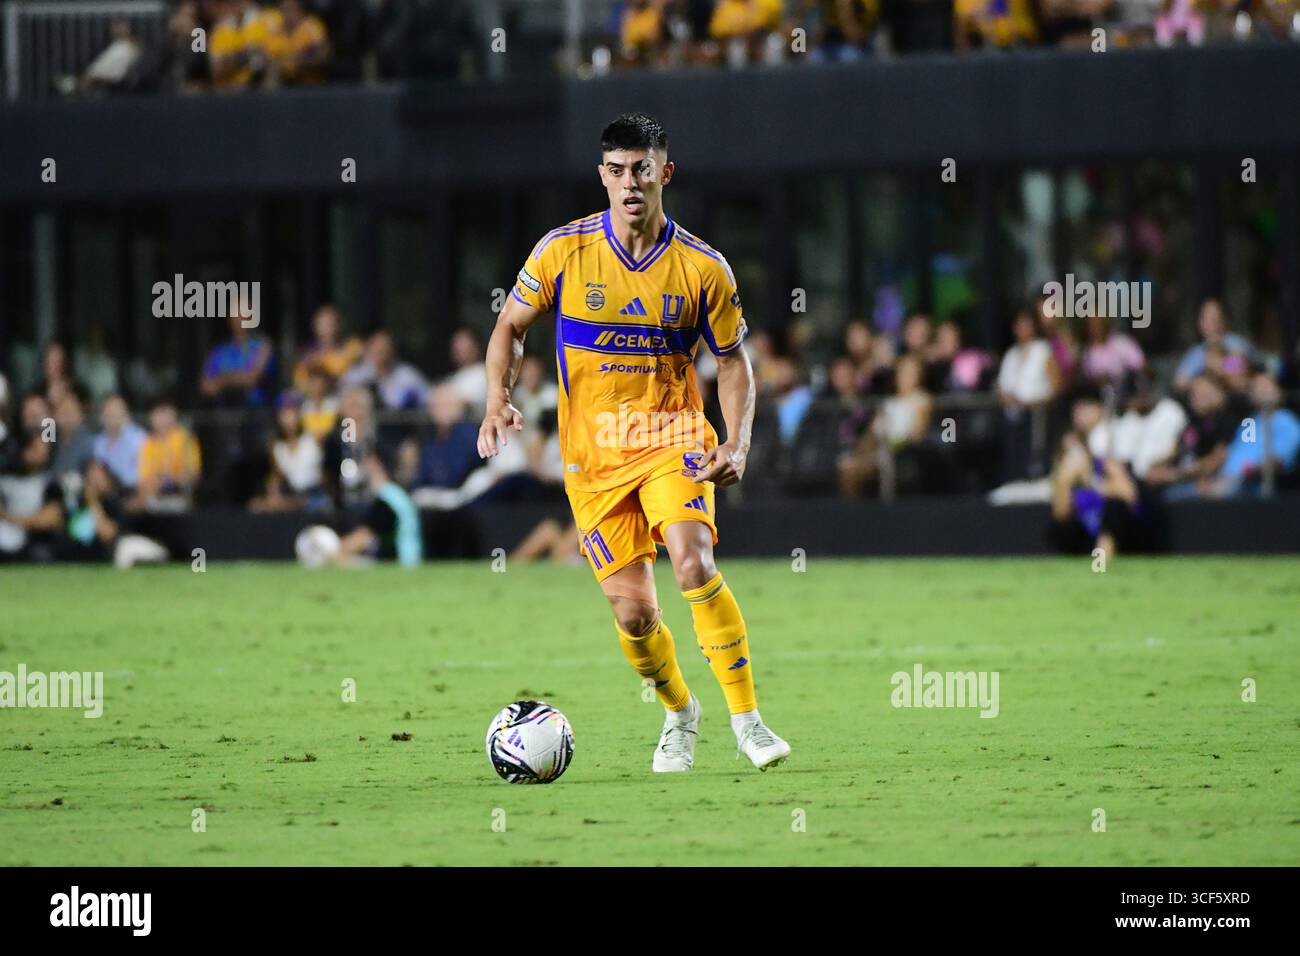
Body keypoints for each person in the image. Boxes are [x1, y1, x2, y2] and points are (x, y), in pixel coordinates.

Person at [477, 112, 790, 773]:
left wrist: (737, 443)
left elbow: (733, 363)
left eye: (641, 170)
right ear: (602, 176)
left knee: (693, 563)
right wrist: (495, 399)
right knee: (635, 618)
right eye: (616, 171)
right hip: (592, 458)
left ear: (663, 174)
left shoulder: (704, 268)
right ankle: (680, 712)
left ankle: (749, 722)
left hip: (672, 436)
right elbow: (510, 328)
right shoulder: (562, 251)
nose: (629, 184)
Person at [335, 449, 422, 568]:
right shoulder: (396, 493)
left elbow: (364, 536)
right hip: (408, 558)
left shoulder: (387, 499)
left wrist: (332, 548)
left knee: (343, 561)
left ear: (377, 466)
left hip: (401, 562)